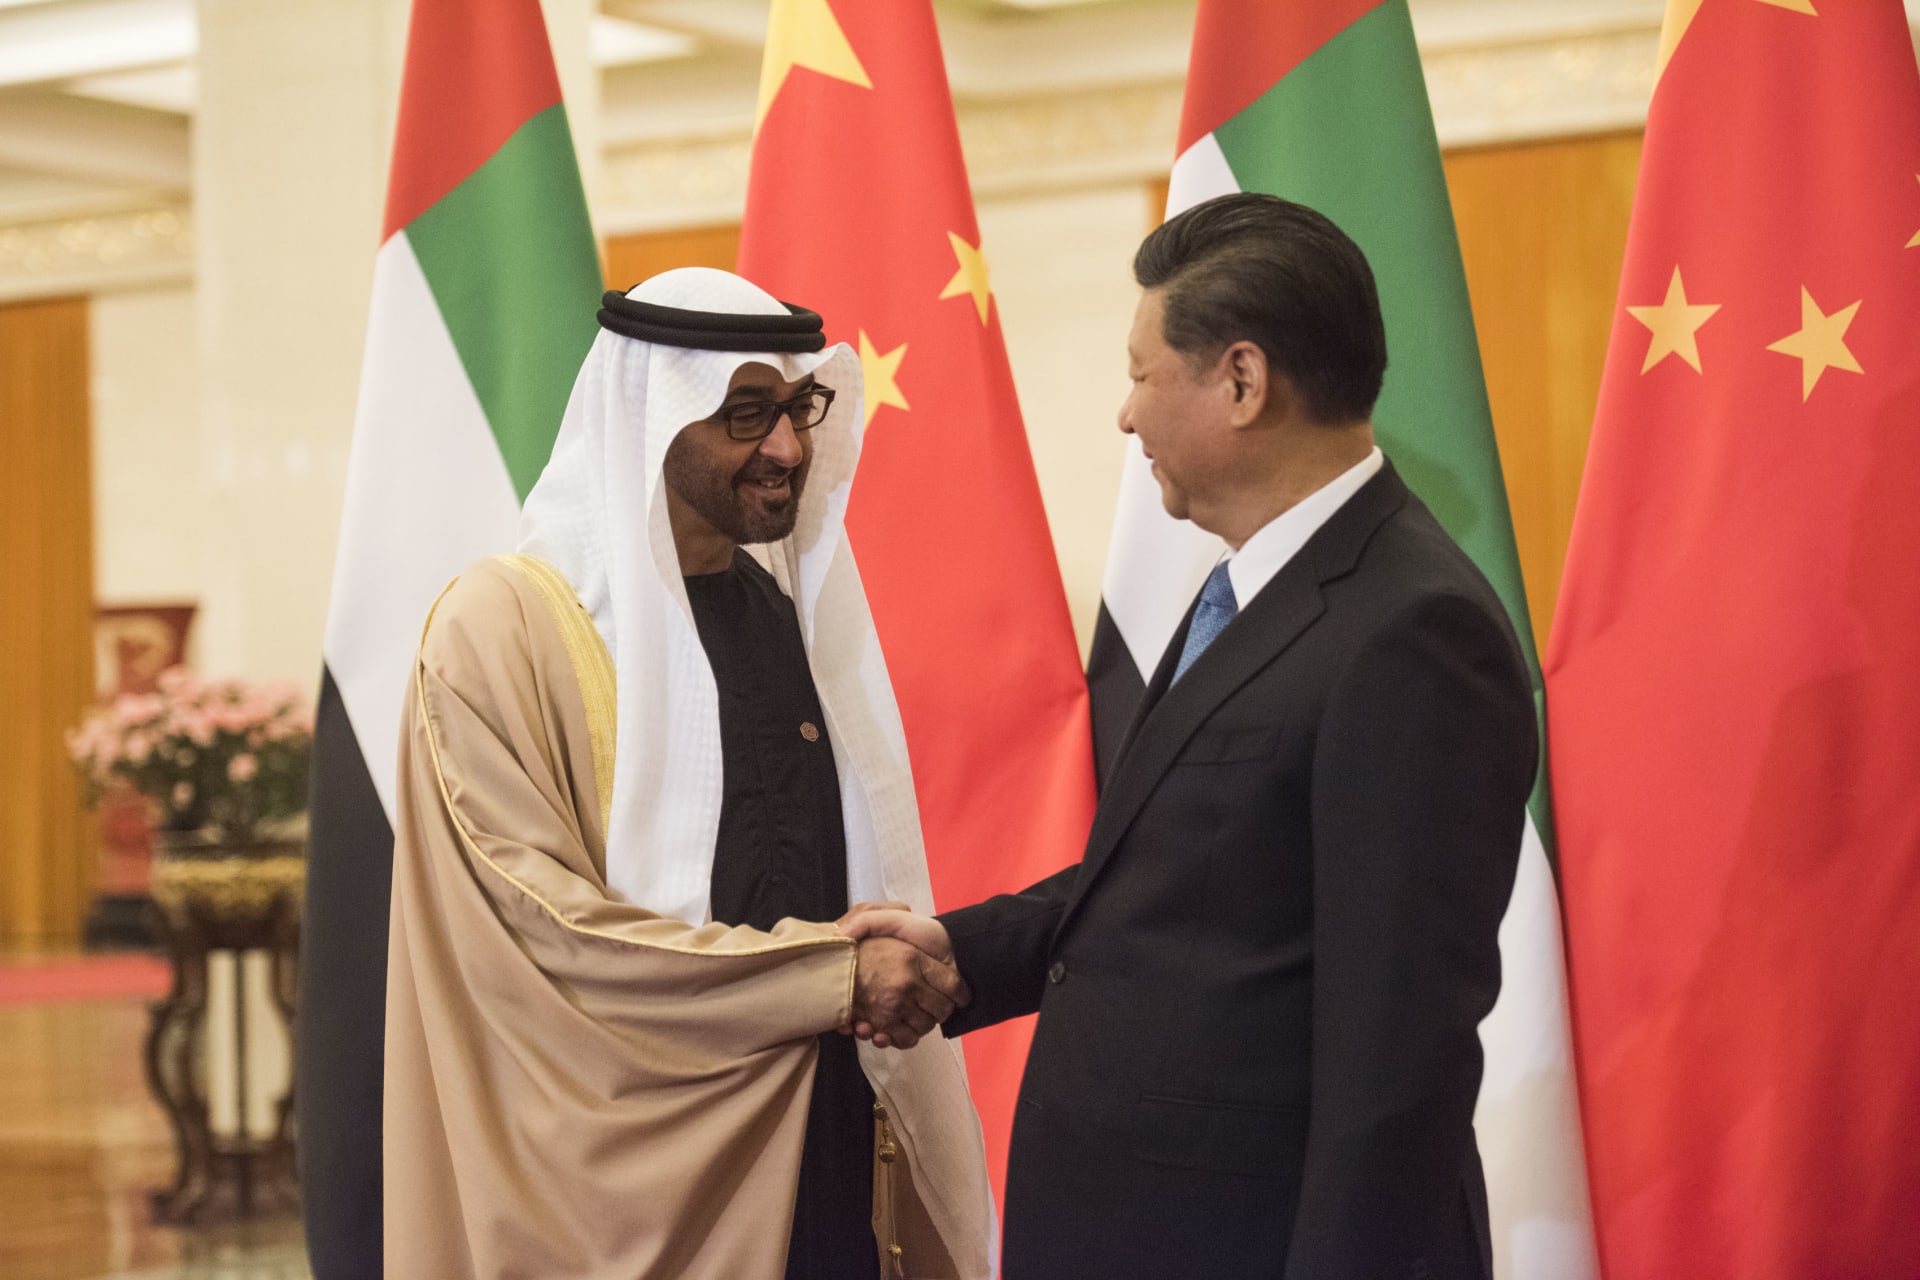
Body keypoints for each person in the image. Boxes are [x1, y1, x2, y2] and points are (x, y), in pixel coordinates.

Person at [844, 194, 1537, 1279]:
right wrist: (964, 949)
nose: (1125, 416)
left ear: (1243, 381)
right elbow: (1189, 881)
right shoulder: (1250, 586)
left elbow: (1398, 1061)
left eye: (1140, 373)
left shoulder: (1413, 631)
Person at [383, 267, 994, 1280]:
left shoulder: (780, 616)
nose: (787, 448)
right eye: (745, 415)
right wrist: (823, 976)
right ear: (647, 421)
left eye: (797, 409)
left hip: (818, 1125)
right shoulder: (503, 630)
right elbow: (548, 930)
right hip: (622, 1173)